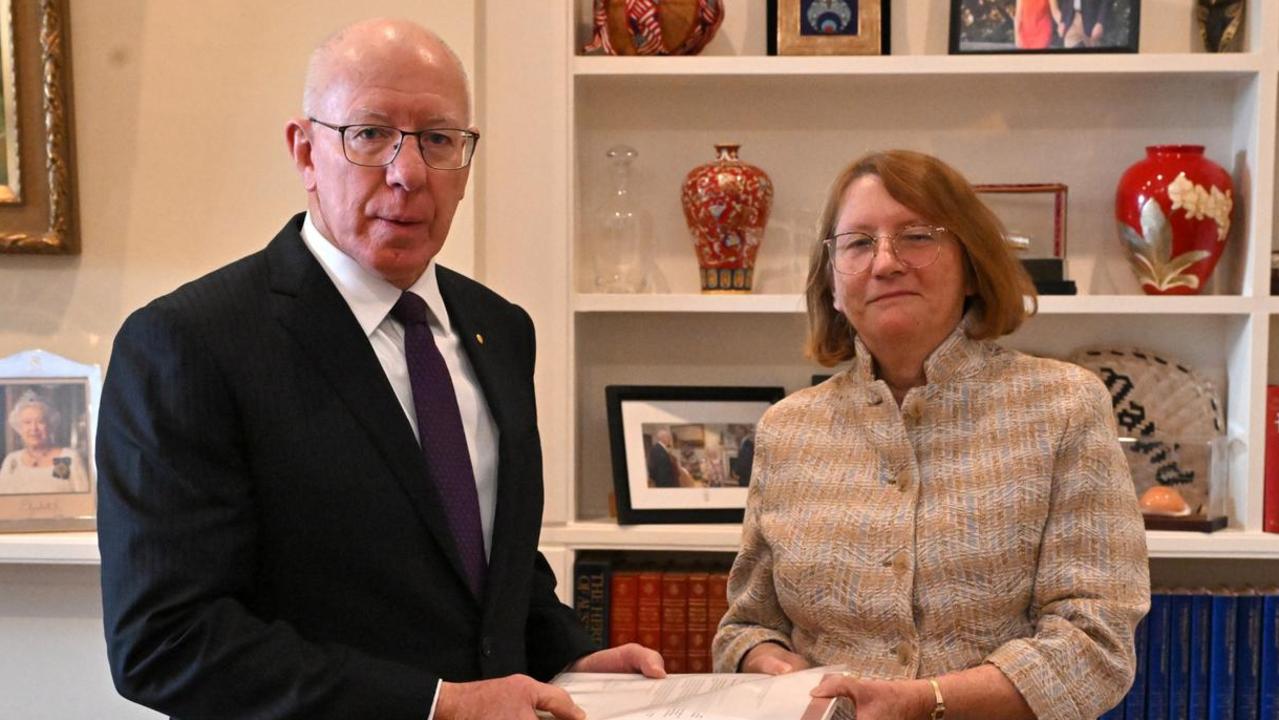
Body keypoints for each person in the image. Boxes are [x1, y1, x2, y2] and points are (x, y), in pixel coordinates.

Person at [96, 18, 661, 720]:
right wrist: (436, 704)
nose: (408, 172)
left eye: (438, 139)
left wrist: (570, 653)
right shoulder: (188, 344)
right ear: (305, 153)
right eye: (368, 135)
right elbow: (166, 640)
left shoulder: (500, 328)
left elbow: (484, 563)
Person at [711, 150, 1149, 720]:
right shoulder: (787, 429)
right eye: (859, 243)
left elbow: (1096, 646)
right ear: (834, 286)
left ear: (971, 265)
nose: (886, 262)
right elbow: (745, 627)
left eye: (916, 237)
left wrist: (925, 702)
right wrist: (769, 662)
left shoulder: (1064, 405)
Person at [0, 391, 89, 495]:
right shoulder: (12, 460)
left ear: (50, 425)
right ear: (19, 428)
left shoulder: (67, 457)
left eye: (40, 421)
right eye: (27, 422)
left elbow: (86, 504)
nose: (33, 428)